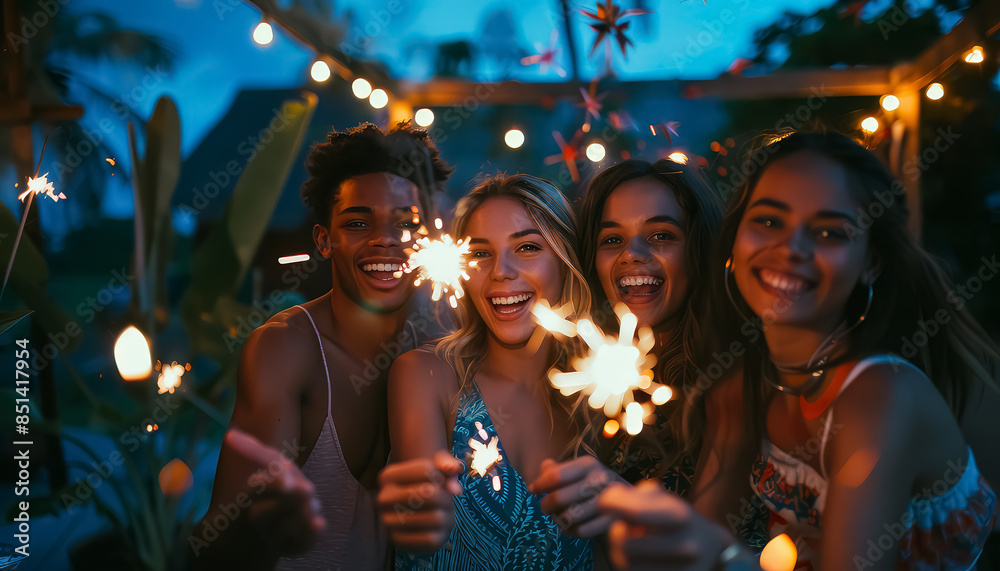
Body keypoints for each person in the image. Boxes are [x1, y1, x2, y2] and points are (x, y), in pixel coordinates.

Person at [598, 131, 1000, 570]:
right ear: (733, 242)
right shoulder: (743, 379)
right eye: (769, 221)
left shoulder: (881, 396)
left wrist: (718, 552)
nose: (791, 249)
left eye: (829, 231)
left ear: (871, 262)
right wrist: (620, 504)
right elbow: (697, 541)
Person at [191, 122, 453, 570]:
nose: (385, 240)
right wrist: (264, 524)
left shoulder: (445, 346)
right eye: (357, 222)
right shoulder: (286, 348)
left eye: (406, 224)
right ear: (323, 240)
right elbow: (215, 552)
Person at [377, 174, 596, 570]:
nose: (500, 271)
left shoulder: (602, 399)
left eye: (527, 247)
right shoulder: (426, 376)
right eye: (481, 253)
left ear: (567, 262)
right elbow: (421, 533)